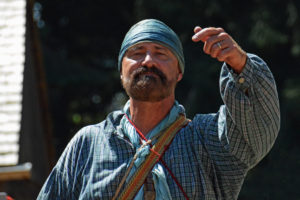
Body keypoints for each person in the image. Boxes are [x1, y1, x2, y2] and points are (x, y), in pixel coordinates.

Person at [37, 19, 280, 200]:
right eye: (137, 53)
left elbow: (259, 130)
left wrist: (240, 65)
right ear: (121, 71)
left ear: (179, 72)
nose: (148, 61)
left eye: (161, 53)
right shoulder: (88, 144)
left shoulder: (208, 140)